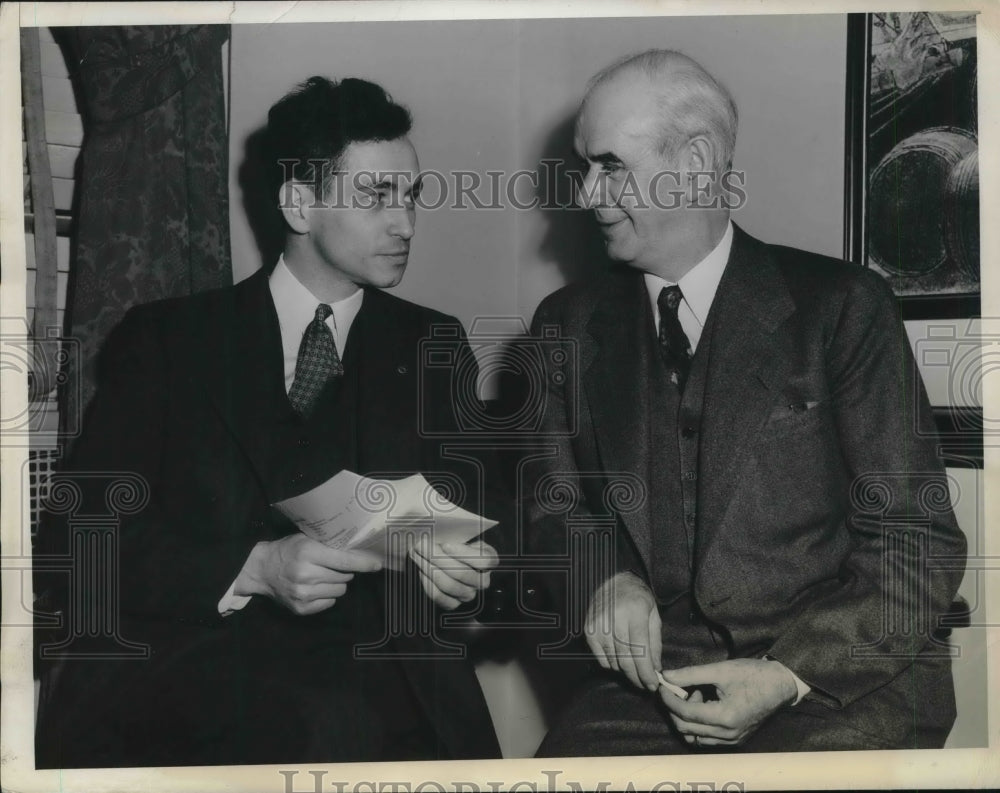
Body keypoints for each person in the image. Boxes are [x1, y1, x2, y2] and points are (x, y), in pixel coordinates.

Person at [35, 76, 504, 767]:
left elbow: (480, 521)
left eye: (410, 196)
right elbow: (76, 540)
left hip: (382, 692)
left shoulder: (434, 344)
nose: (405, 223)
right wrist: (253, 567)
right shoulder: (170, 340)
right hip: (190, 684)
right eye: (376, 197)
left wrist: (467, 572)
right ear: (298, 202)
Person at [525, 50, 968, 755]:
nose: (585, 194)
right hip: (657, 692)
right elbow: (552, 509)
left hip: (839, 685)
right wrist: (601, 580)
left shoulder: (844, 308)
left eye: (610, 165)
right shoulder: (564, 325)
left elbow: (919, 544)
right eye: (584, 166)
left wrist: (787, 674)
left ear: (697, 164)